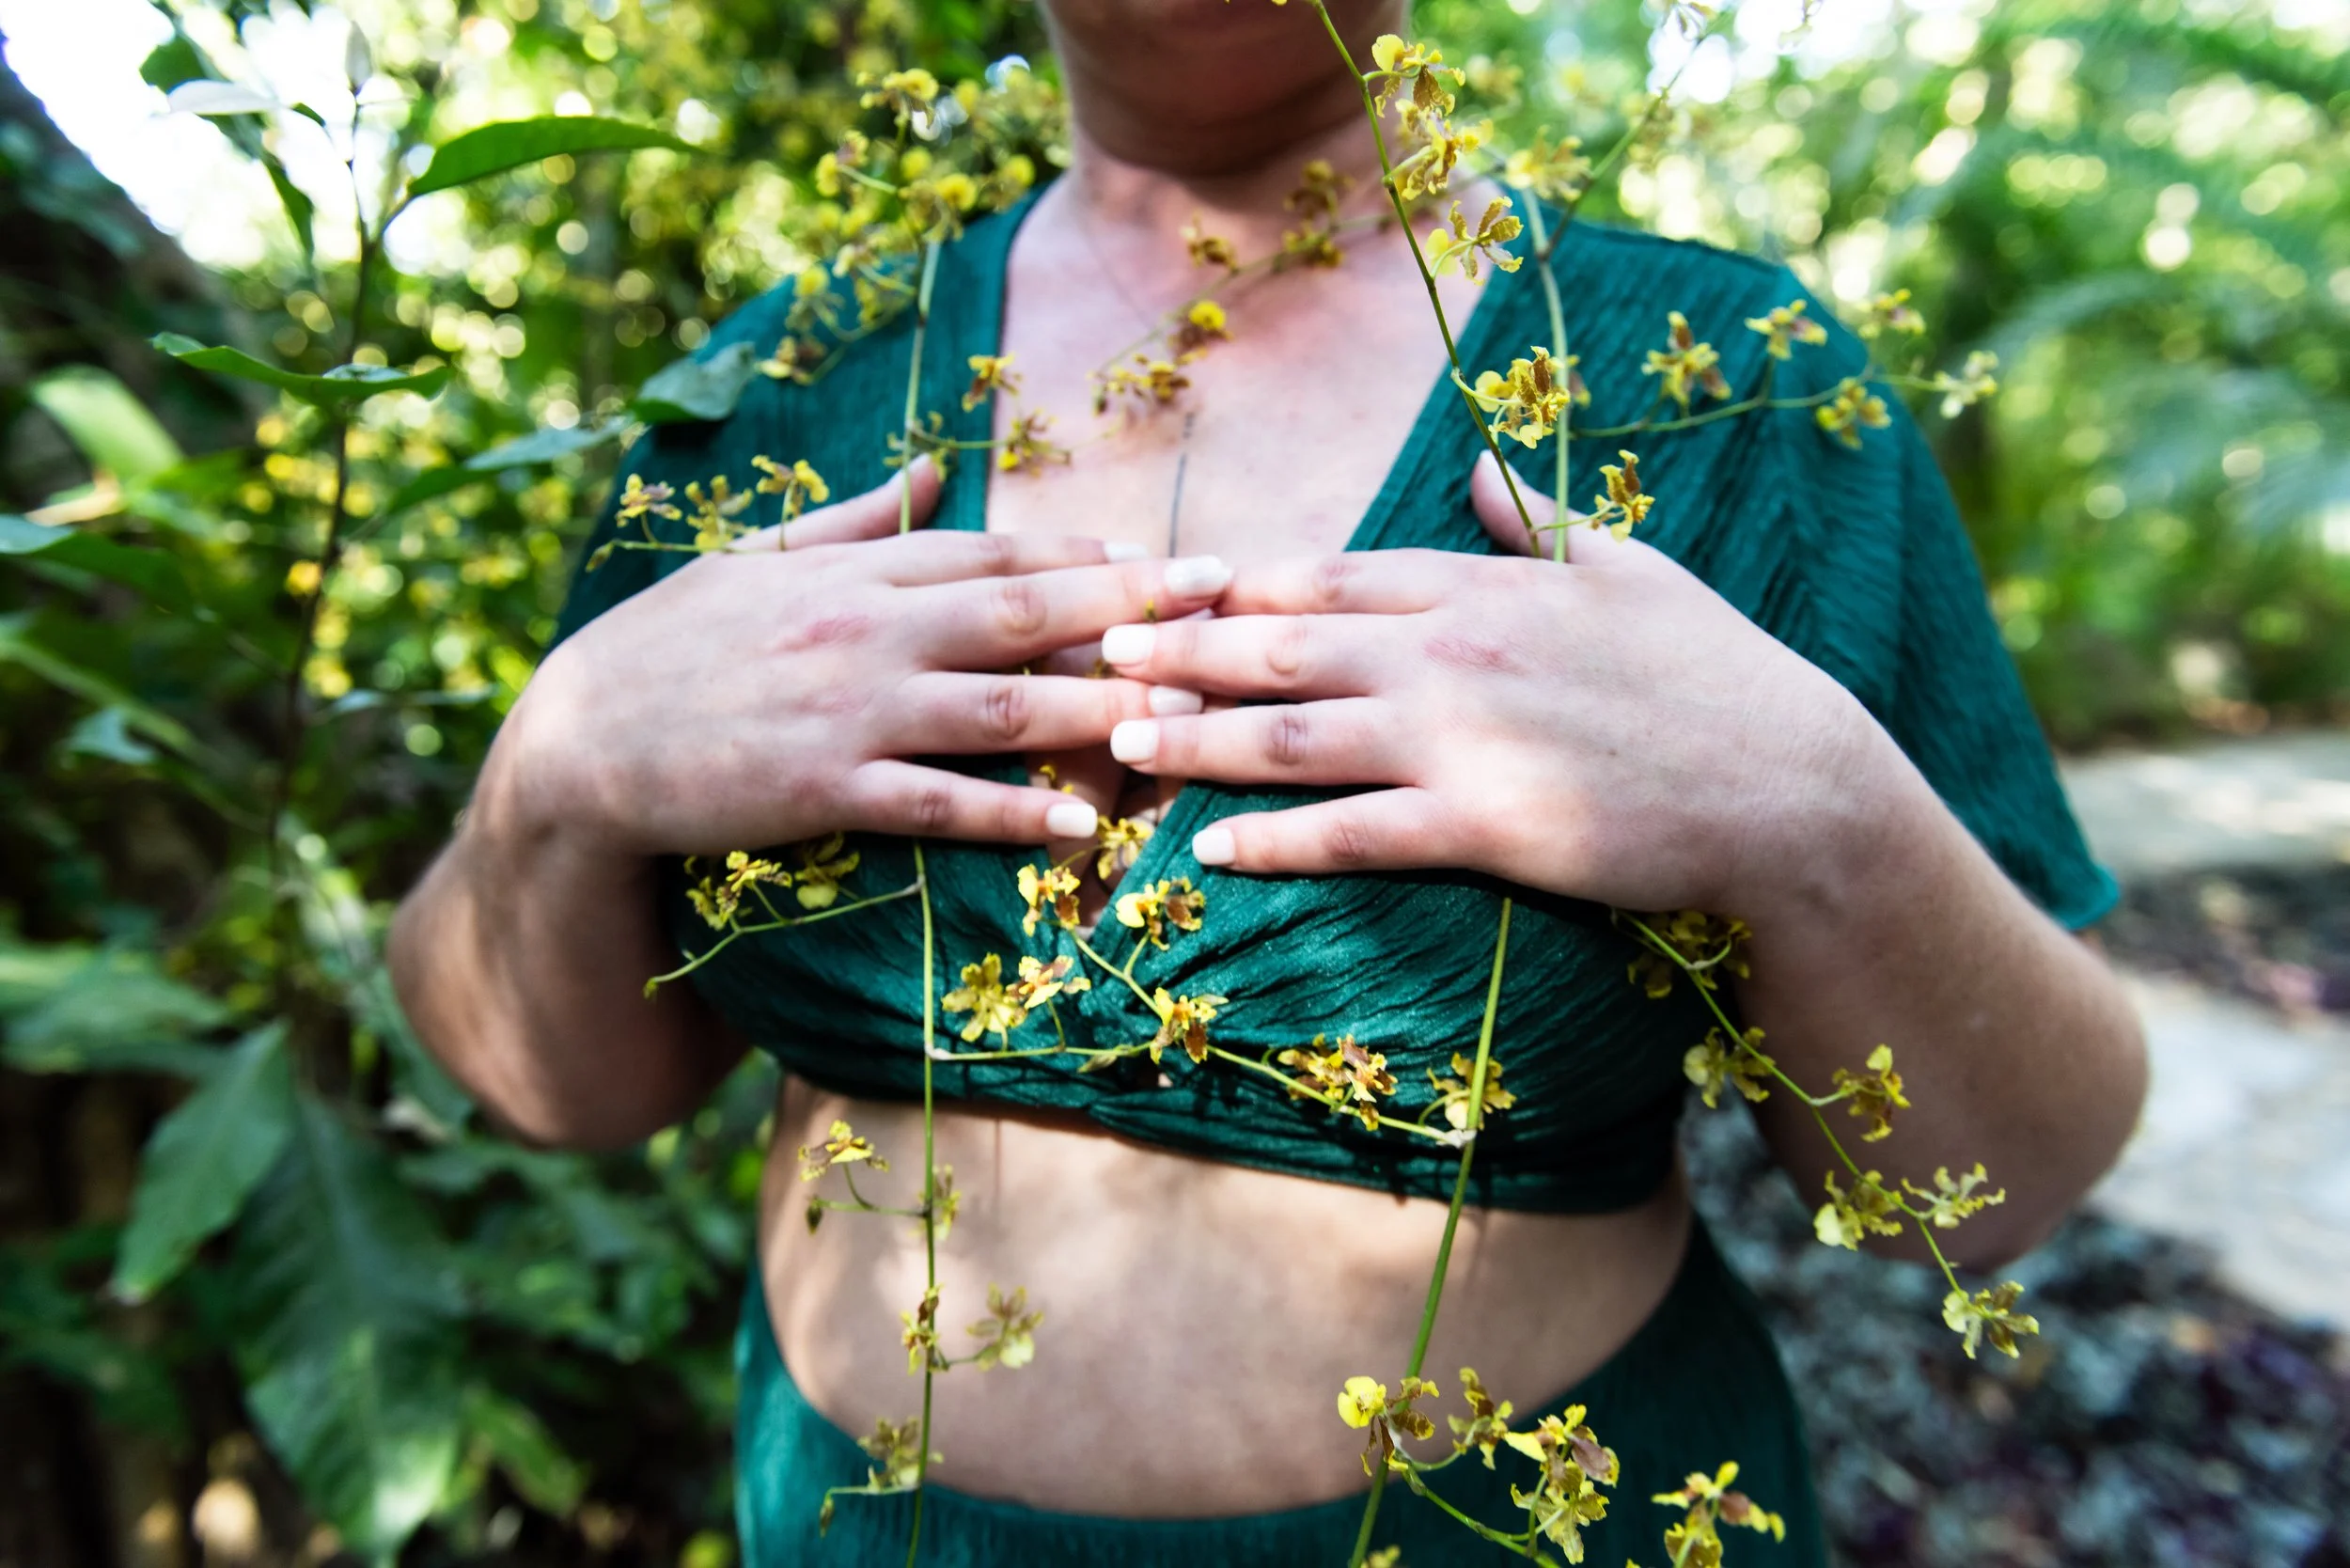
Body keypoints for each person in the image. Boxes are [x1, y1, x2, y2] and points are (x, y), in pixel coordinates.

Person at [389, 1, 2148, 1561]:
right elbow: (568, 1085)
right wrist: (552, 775)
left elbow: (2024, 1172)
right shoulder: (783, 389)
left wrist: (1814, 808)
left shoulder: (1740, 389)